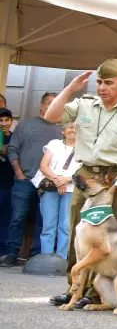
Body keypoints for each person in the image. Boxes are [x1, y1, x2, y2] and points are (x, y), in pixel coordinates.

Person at [44, 60, 117, 306]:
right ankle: (74, 289)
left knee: (108, 240)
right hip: (85, 174)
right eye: (99, 82)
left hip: (113, 178)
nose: (102, 87)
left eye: (108, 82)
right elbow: (51, 115)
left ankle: (98, 293)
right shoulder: (85, 104)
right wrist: (71, 89)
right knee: (78, 234)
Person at [1, 91, 60, 265]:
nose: (52, 106)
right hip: (24, 179)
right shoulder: (25, 125)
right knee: (17, 217)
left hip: (48, 182)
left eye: (56, 103)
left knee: (44, 219)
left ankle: (36, 255)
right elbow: (12, 149)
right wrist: (18, 172)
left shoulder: (62, 129)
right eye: (49, 103)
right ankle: (11, 253)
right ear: (41, 105)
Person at [34, 122, 80, 258]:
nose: (73, 130)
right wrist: (58, 181)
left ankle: (61, 260)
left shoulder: (85, 149)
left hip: (71, 189)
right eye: (70, 127)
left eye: (77, 128)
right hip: (50, 187)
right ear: (63, 132)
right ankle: (45, 258)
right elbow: (43, 166)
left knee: (66, 227)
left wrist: (66, 180)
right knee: (48, 226)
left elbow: (84, 171)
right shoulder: (54, 144)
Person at [0, 109, 14, 263]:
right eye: (0, 121)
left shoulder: (14, 138)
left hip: (8, 184)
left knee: (5, 219)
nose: (3, 124)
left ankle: (2, 252)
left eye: (6, 120)